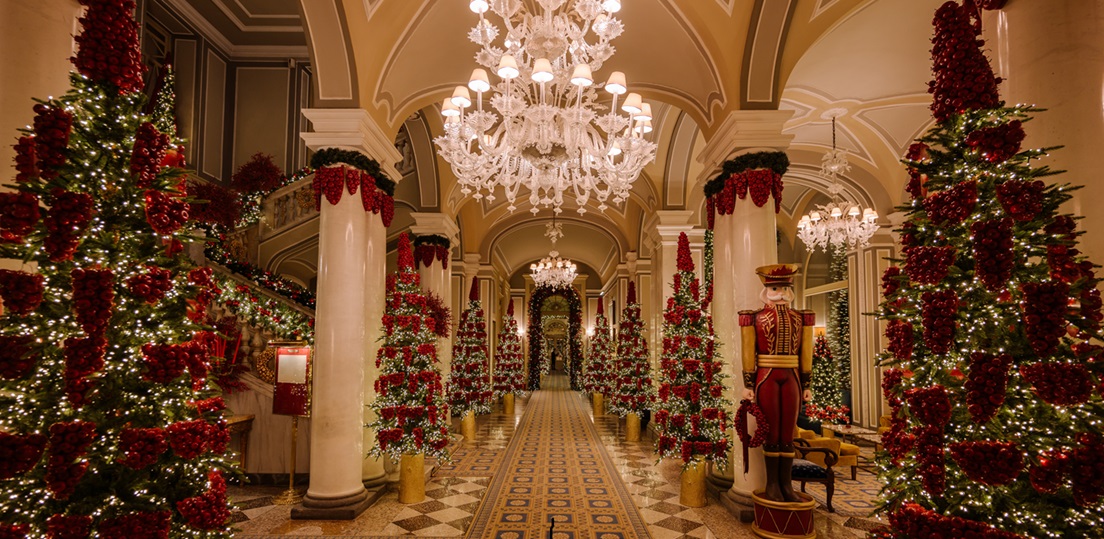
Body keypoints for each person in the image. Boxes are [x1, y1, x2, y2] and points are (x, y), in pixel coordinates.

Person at [740, 264, 814, 504]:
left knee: (787, 431)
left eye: (783, 287)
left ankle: (786, 484)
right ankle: (773, 484)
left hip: (792, 375)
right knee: (771, 429)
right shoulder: (754, 317)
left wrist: (807, 384)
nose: (779, 291)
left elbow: (806, 352)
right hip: (766, 376)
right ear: (766, 289)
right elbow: (747, 350)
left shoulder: (800, 318)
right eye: (774, 287)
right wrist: (748, 383)